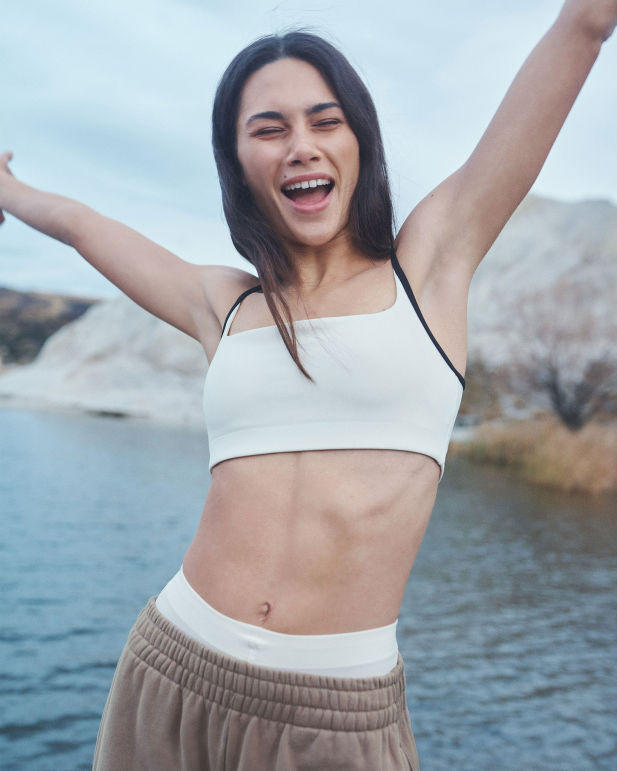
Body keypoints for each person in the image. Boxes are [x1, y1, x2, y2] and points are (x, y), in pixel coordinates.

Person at [1, 2, 616, 768]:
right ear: (237, 163)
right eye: (268, 129)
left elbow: (580, 30)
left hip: (334, 712)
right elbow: (79, 223)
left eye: (325, 121)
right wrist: (8, 190)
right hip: (171, 665)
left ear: (359, 140)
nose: (300, 146)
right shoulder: (223, 304)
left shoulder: (428, 266)